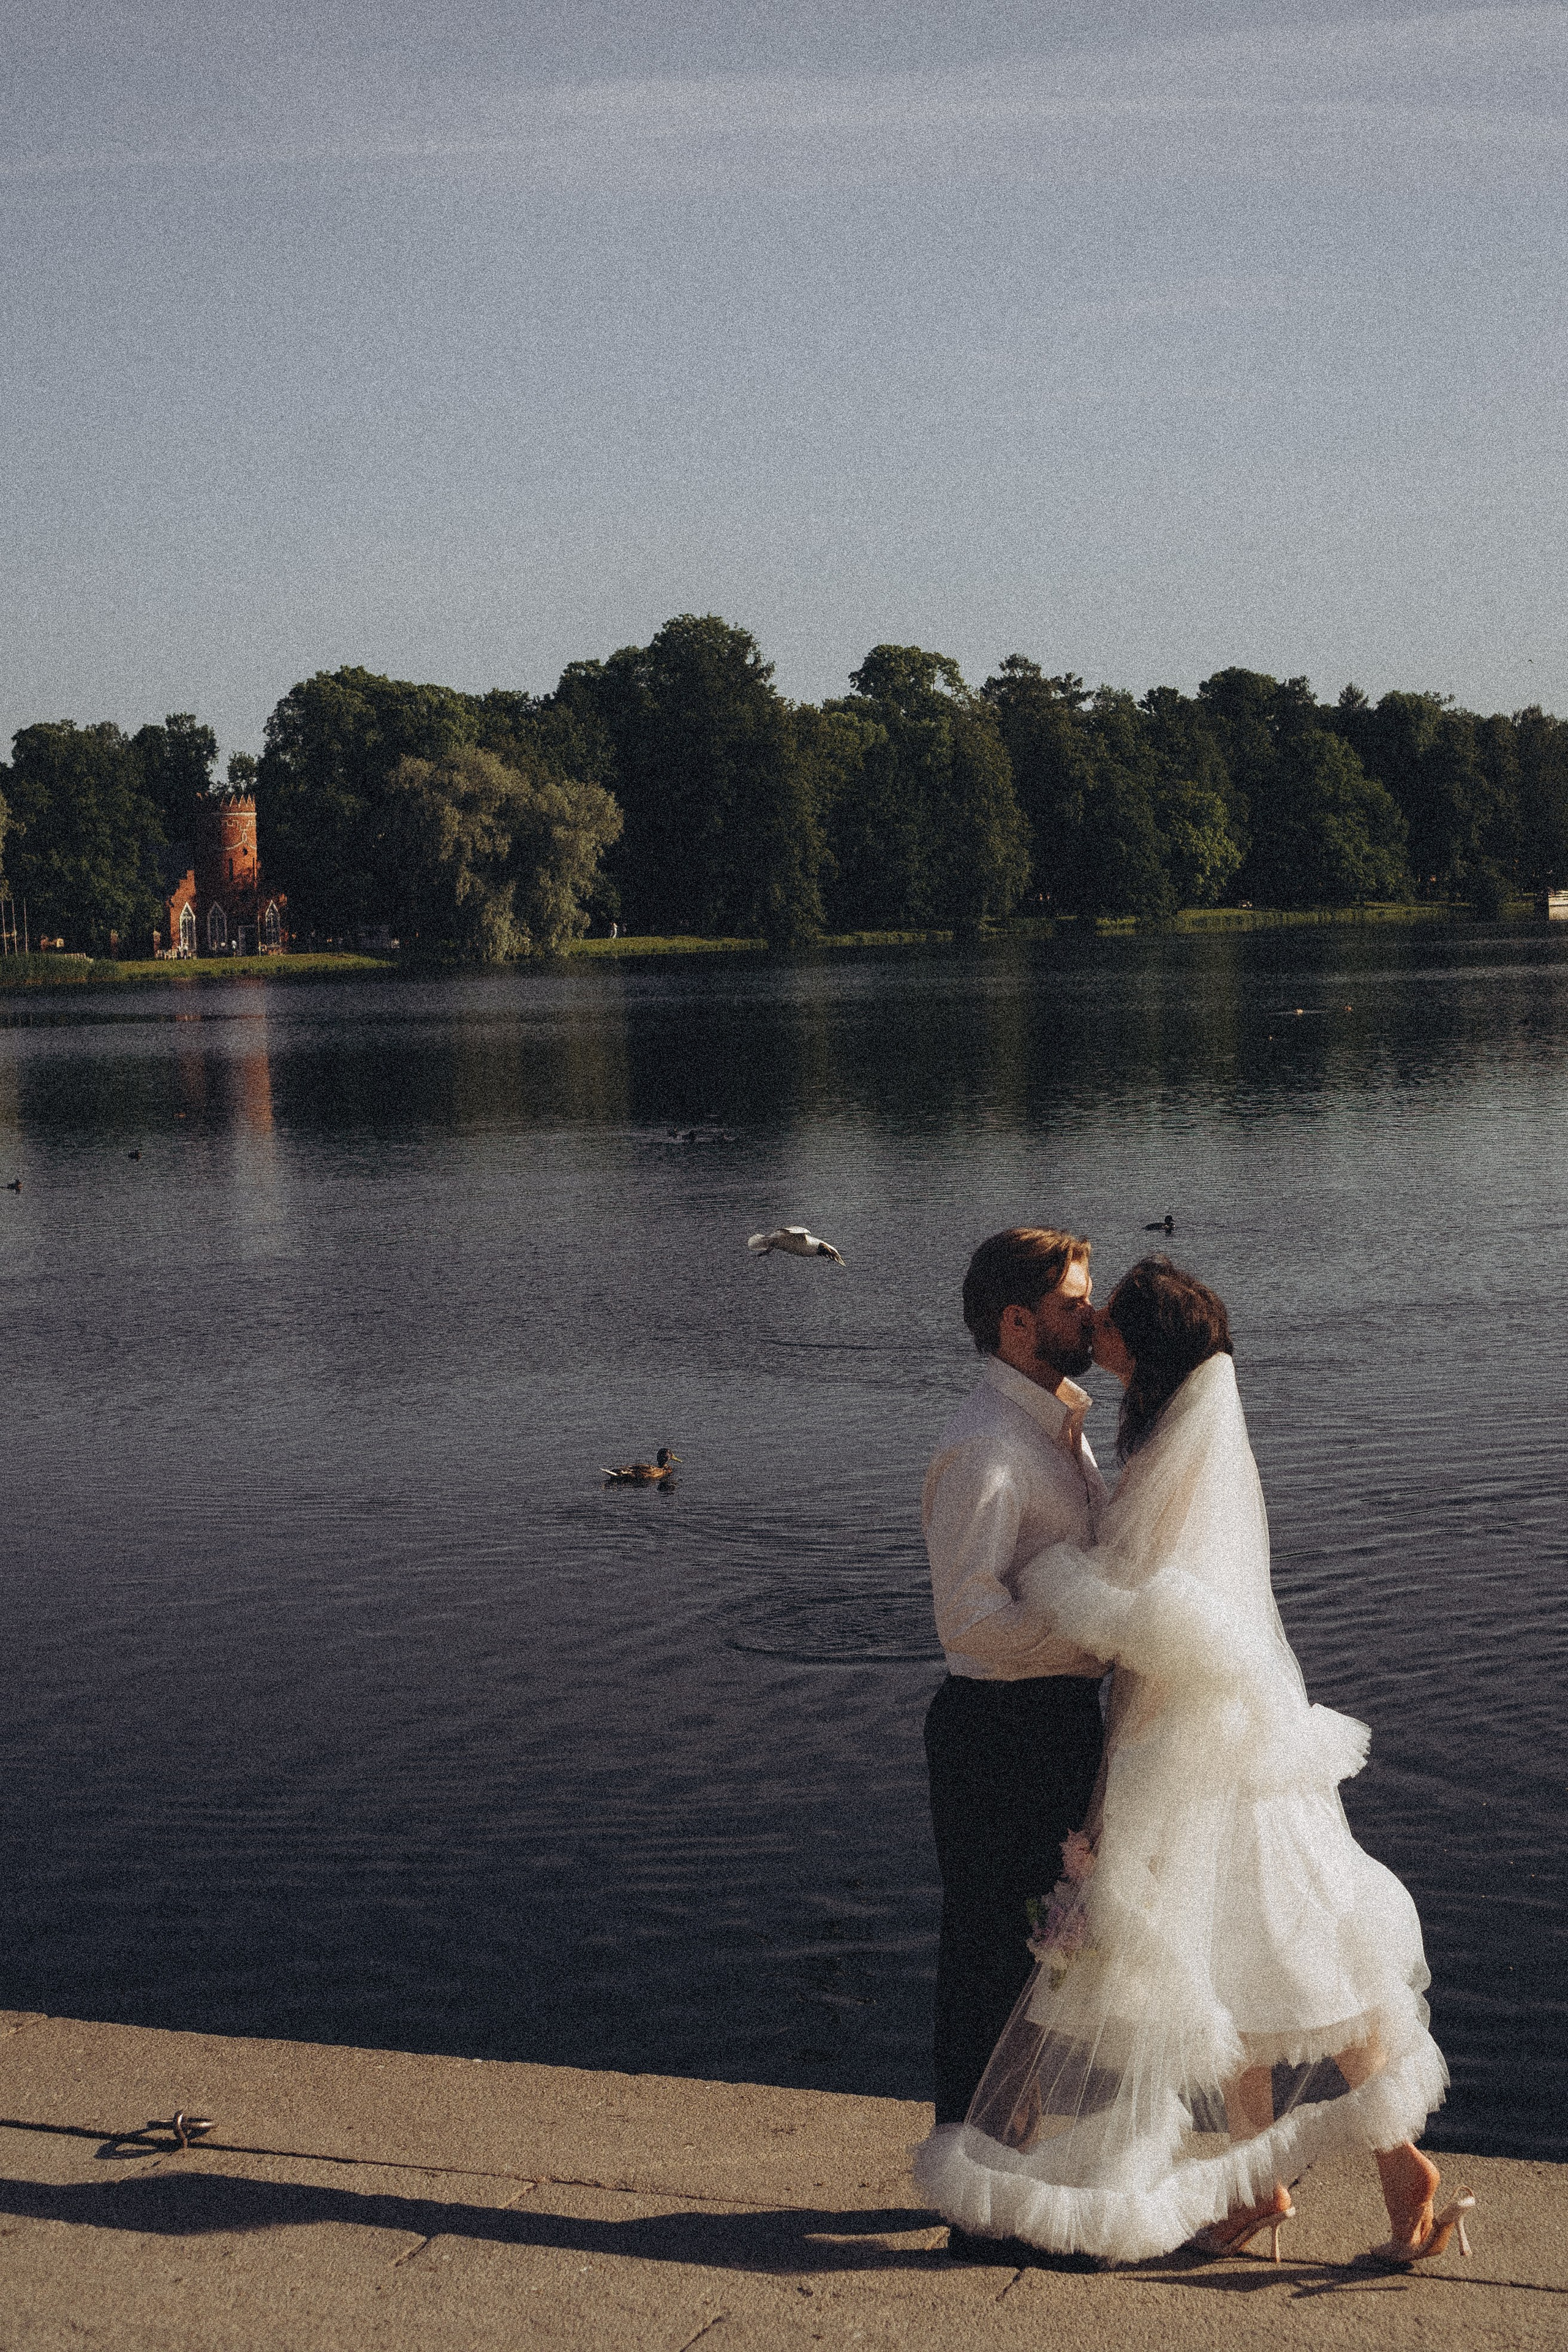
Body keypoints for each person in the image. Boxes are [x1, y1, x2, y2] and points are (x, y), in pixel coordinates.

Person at [915, 1256, 1471, 2268]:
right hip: (1177, 1722)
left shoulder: (1176, 1441)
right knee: (1233, 1955)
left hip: (1195, 1737)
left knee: (1276, 1946)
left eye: (1111, 1320)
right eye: (1082, 1310)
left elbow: (1160, 1598)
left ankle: (1393, 2168)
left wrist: (1058, 1586)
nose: (1097, 1332)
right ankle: (1264, 2186)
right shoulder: (1142, 1429)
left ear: (1147, 1348)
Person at [921, 1227, 1112, 2238]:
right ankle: (981, 2215)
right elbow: (966, 1618)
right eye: (1075, 1302)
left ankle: (999, 2185)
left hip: (1050, 1718)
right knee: (995, 1964)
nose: (1093, 1314)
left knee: (1044, 1959)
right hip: (998, 1728)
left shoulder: (1059, 1428)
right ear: (1017, 1322)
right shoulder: (987, 1447)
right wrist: (1094, 1621)